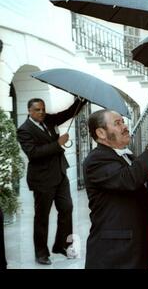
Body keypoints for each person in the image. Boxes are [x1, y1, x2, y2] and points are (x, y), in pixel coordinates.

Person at [83, 109, 148, 269]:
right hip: (116, 252)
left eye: (123, 122)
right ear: (101, 133)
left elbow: (146, 175)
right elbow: (129, 179)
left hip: (140, 246)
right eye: (117, 123)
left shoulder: (128, 156)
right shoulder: (95, 160)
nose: (125, 126)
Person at [17, 97, 86, 265]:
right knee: (42, 217)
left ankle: (62, 245)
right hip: (42, 179)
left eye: (43, 109)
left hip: (60, 174)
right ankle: (41, 253)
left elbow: (68, 113)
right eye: (37, 110)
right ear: (29, 111)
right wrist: (58, 144)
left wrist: (80, 101)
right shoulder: (24, 130)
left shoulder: (48, 119)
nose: (41, 112)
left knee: (67, 208)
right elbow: (33, 153)